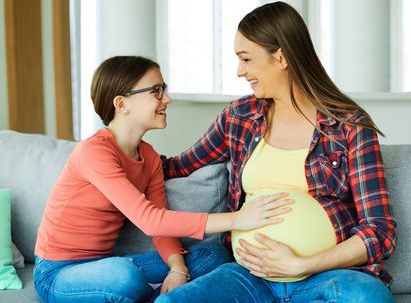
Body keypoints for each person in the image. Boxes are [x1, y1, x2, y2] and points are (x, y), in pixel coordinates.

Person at [156, 1, 397, 302]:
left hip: (323, 277)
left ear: (280, 57)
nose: (240, 71)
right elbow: (178, 166)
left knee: (368, 297)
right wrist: (117, 146)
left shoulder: (348, 126)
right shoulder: (238, 117)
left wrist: (301, 264)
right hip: (250, 277)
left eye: (246, 59)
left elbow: (380, 231)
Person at [33, 56, 292, 303]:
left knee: (213, 256)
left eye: (164, 89)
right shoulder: (94, 152)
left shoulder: (150, 157)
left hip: (104, 264)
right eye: (156, 91)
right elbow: (149, 220)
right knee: (125, 277)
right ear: (122, 104)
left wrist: (178, 270)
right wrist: (237, 219)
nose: (167, 99)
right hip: (58, 273)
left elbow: (161, 226)